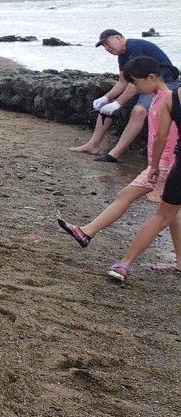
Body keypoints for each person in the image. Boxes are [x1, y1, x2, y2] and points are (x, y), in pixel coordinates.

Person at [59, 56, 180, 257]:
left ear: (151, 78)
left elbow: (170, 138)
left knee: (128, 197)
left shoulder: (167, 100)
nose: (134, 88)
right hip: (163, 165)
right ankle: (180, 262)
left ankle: (87, 232)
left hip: (165, 166)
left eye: (136, 83)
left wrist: (158, 169)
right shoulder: (159, 98)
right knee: (173, 214)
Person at [103, 61, 181, 282]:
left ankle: (124, 264)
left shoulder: (171, 98)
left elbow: (161, 137)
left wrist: (154, 166)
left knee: (162, 216)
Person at [71, 28, 178, 163]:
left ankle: (114, 154)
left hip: (164, 83)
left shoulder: (134, 47)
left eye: (107, 43)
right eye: (104, 46)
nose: (107, 48)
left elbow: (136, 83)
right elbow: (123, 82)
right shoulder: (122, 55)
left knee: (139, 111)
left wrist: (118, 103)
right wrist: (107, 98)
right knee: (108, 106)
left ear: (118, 37)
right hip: (143, 84)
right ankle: (93, 144)